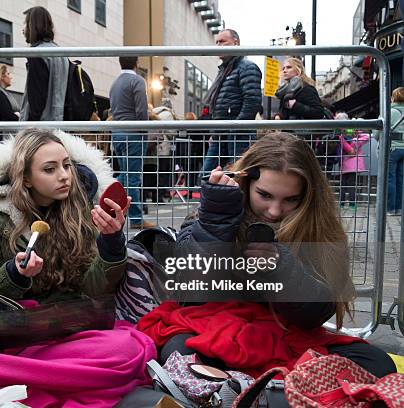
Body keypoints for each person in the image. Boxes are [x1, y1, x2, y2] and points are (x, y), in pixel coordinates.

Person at [140, 132, 396, 378]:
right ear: (247, 182)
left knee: (377, 363)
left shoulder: (318, 225)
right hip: (216, 330)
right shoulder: (214, 208)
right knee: (180, 351)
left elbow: (319, 312)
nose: (274, 211)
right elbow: (189, 293)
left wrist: (282, 269)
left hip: (288, 337)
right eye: (264, 195)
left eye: (291, 199)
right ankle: (269, 387)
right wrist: (215, 223)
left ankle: (252, 388)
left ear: (307, 197)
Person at [0, 128, 130, 303]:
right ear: (26, 178)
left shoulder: (84, 206)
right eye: (50, 169)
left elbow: (94, 289)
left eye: (67, 165)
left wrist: (111, 243)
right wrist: (15, 273)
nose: (64, 176)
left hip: (75, 317)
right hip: (19, 320)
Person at [201, 29, 262, 175]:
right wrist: (216, 132)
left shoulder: (246, 67)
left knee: (240, 176)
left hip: (238, 134)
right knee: (206, 176)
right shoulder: (225, 71)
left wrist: (235, 127)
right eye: (217, 42)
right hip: (222, 133)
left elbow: (252, 101)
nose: (219, 45)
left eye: (222, 41)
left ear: (236, 42)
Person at [109, 56, 155, 229]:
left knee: (124, 175)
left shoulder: (115, 83)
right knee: (133, 177)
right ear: (136, 63)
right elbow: (141, 110)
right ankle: (136, 219)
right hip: (133, 134)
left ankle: (106, 194)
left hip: (117, 134)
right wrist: (144, 132)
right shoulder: (137, 81)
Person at [19, 6, 68, 121]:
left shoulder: (38, 54)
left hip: (40, 128)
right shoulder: (62, 54)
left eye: (26, 24)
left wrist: (27, 128)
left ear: (33, 26)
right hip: (58, 124)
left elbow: (36, 101)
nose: (23, 30)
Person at [336, 112, 369, 210]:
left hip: (346, 162)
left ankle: (342, 204)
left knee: (344, 184)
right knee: (351, 184)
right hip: (350, 163)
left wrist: (353, 142)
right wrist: (355, 142)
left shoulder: (344, 132)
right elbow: (366, 137)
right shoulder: (349, 131)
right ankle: (351, 204)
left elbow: (364, 136)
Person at [382, 87, 404, 215]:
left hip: (393, 148)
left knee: (391, 178)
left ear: (393, 97)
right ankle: (400, 208)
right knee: (401, 179)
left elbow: (376, 132)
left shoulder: (390, 111)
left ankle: (390, 209)